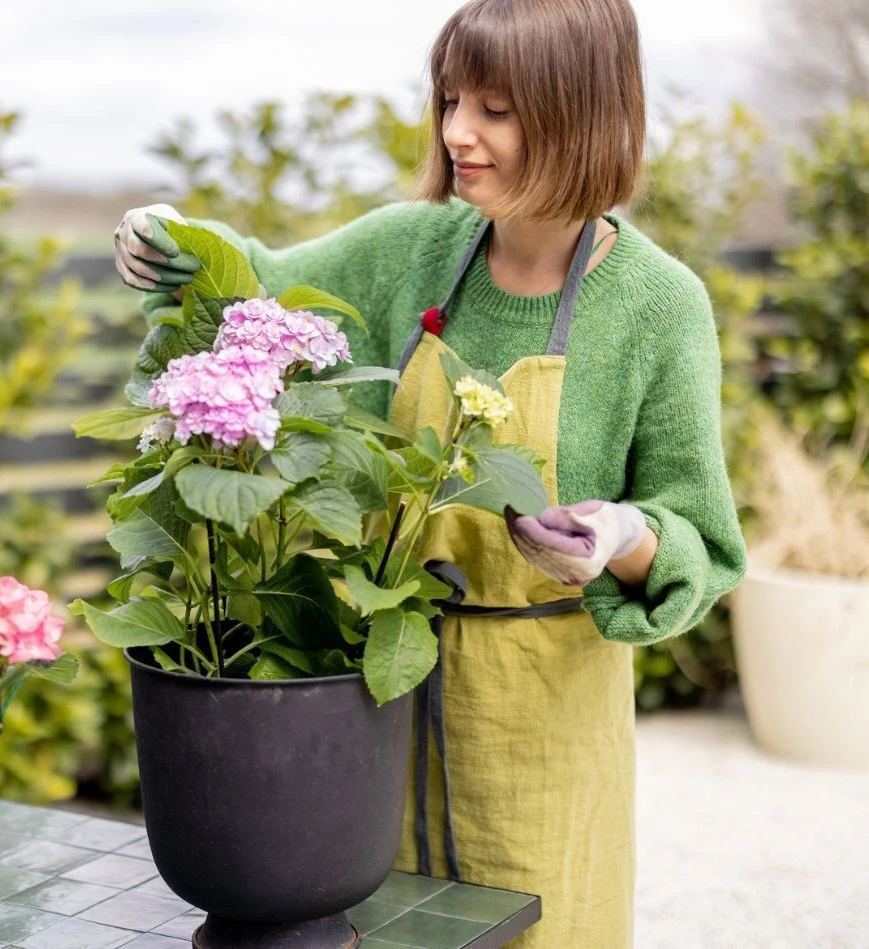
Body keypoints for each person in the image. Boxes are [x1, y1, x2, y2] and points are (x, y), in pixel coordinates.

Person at [112, 0, 746, 945]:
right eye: (451, 100)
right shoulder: (411, 250)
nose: (457, 133)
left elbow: (698, 539)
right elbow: (254, 277)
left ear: (581, 111)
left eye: (496, 108)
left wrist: (619, 534)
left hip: (542, 726)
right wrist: (166, 236)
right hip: (374, 696)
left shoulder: (659, 306)